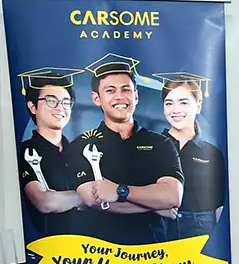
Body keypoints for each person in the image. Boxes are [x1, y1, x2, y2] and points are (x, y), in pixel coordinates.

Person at [70, 55, 184, 245]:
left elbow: (173, 196)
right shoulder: (81, 145)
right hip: (99, 252)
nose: (119, 96)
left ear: (136, 96)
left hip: (153, 250)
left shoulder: (161, 143)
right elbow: (93, 201)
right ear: (97, 98)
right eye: (110, 90)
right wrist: (155, 206)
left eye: (126, 89)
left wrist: (119, 191)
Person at [16, 67, 90, 237]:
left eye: (66, 102)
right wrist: (88, 197)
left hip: (93, 246)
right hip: (49, 246)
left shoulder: (82, 151)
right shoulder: (24, 152)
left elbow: (106, 201)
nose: (60, 108)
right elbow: (44, 202)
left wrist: (66, 199)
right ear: (33, 107)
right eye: (51, 101)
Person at [157, 74, 227, 240]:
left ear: (198, 106)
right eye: (169, 103)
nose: (175, 110)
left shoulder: (213, 154)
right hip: (158, 228)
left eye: (183, 102)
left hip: (200, 231)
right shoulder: (150, 145)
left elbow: (219, 205)